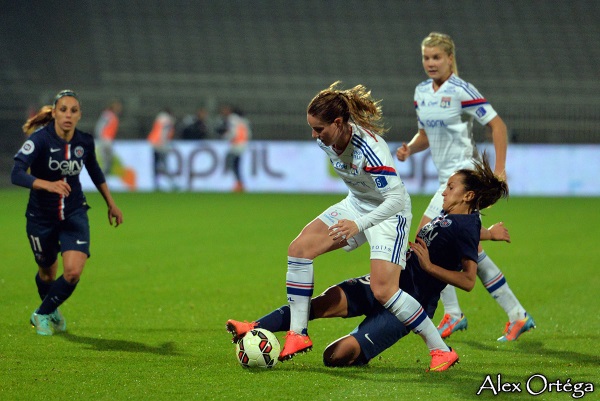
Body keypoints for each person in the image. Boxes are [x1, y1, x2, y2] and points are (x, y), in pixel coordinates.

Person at [228, 155, 510, 368]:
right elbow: (455, 236)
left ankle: (392, 343)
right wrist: (491, 234)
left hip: (409, 303)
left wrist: (429, 267)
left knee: (334, 357)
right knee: (321, 303)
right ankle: (252, 327)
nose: (444, 192)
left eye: (450, 187)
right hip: (387, 280)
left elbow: (469, 281)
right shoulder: (455, 219)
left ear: (468, 195)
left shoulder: (466, 226)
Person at [277, 81, 458, 371]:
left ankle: (440, 350)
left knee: (384, 291)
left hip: (389, 213)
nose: (314, 135)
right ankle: (298, 334)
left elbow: (397, 199)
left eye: (319, 129)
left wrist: (358, 225)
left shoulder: (371, 150)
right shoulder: (329, 140)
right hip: (357, 203)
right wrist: (357, 218)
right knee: (299, 249)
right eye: (312, 128)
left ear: (337, 123)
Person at [395, 32, 535, 342]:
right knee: (463, 248)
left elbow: (497, 125)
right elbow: (425, 134)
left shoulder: (460, 90)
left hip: (465, 176)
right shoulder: (421, 92)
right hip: (448, 179)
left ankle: (456, 314)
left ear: (449, 59)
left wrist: (499, 170)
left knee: (427, 239)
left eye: (436, 57)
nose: (430, 63)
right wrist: (409, 149)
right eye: (426, 57)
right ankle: (514, 314)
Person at [11, 89, 123, 336]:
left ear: (80, 114)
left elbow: (95, 171)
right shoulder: (39, 140)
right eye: (63, 110)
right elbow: (16, 173)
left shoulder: (84, 141)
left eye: (74, 110)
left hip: (74, 213)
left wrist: (111, 203)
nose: (68, 115)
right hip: (41, 216)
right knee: (47, 273)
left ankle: (41, 313)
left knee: (72, 273)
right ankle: (50, 309)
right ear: (54, 113)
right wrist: (47, 184)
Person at [219, 105, 251, 192]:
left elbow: (233, 132)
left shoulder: (232, 119)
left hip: (236, 144)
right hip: (243, 144)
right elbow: (248, 133)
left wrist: (225, 136)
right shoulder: (244, 121)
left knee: (231, 163)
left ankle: (238, 183)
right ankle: (239, 183)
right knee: (237, 165)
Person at [147, 108, 176, 191]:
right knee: (164, 164)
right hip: (161, 144)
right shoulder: (168, 120)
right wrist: (164, 144)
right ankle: (171, 183)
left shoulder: (158, 119)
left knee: (156, 164)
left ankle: (156, 184)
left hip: (154, 143)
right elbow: (164, 133)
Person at [94, 100, 122, 175]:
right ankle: (101, 178)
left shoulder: (112, 116)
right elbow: (100, 126)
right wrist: (101, 137)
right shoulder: (108, 115)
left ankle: (103, 178)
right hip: (105, 139)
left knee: (107, 160)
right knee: (106, 160)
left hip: (107, 139)